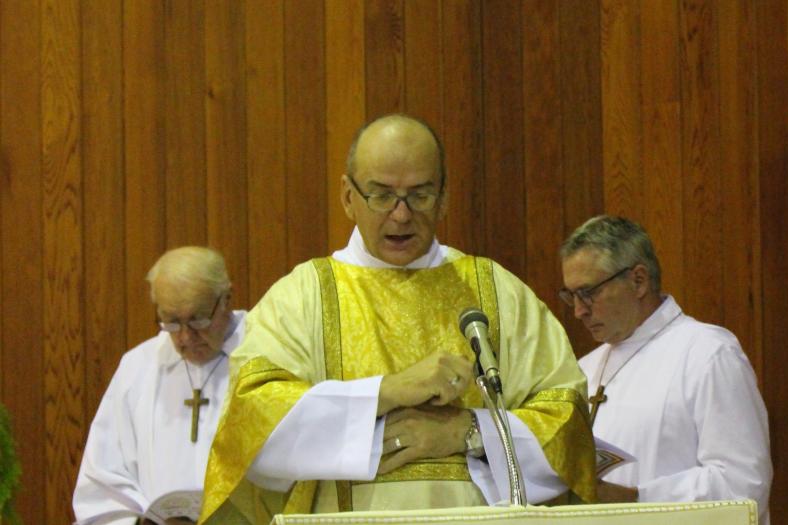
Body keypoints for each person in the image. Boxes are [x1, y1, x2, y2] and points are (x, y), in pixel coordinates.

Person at [199, 114, 595, 524]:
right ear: (348, 196)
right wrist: (385, 392)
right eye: (382, 195)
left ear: (444, 197)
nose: (401, 215)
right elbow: (252, 426)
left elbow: (567, 424)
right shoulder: (302, 297)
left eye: (420, 195)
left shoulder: (496, 292)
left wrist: (470, 431)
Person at [559, 216, 772, 523]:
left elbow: (743, 485)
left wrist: (636, 498)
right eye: (571, 296)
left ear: (638, 280)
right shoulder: (583, 370)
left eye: (588, 293)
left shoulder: (707, 353)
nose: (579, 311)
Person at [73, 247, 246, 525]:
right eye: (172, 322)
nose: (186, 338)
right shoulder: (137, 368)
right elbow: (103, 484)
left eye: (198, 319)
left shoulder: (264, 358)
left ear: (226, 298)